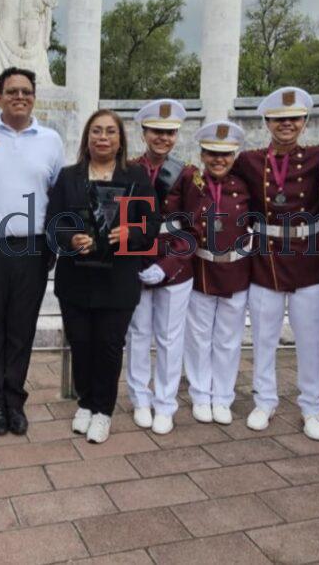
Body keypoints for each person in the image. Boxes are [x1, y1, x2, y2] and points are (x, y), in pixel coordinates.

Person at [0, 67, 65, 436]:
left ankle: (15, 401)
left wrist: (53, 241)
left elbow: (57, 195)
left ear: (34, 96)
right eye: (12, 91)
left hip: (33, 248)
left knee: (22, 329)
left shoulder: (51, 140)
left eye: (26, 91)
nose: (20, 96)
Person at [47, 110, 159, 443]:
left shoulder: (137, 177)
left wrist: (131, 233)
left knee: (109, 346)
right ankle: (85, 401)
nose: (103, 137)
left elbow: (152, 226)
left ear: (121, 139)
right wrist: (70, 239)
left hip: (118, 280)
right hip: (76, 278)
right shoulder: (69, 177)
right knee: (80, 343)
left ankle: (103, 411)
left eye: (110, 131)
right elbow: (54, 223)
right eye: (96, 131)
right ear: (86, 138)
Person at [232, 87, 319, 440]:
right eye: (279, 119)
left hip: (307, 256)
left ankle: (312, 407)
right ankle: (265, 400)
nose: (286, 124)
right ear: (267, 122)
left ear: (304, 122)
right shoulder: (249, 161)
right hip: (265, 257)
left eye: (293, 119)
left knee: (310, 340)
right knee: (263, 336)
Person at [125, 100, 195, 436]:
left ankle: (166, 403)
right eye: (156, 131)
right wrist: (132, 261)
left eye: (169, 133)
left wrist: (168, 266)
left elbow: (194, 229)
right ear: (144, 132)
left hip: (175, 264)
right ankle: (140, 398)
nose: (163, 138)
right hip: (136, 260)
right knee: (138, 334)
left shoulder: (187, 173)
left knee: (169, 337)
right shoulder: (128, 169)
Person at [183, 121, 251, 426]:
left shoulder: (245, 185)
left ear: (234, 155)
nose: (218, 159)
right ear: (202, 153)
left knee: (228, 338)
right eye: (211, 153)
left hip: (237, 268)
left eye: (225, 153)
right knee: (198, 337)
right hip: (200, 267)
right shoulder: (191, 183)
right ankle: (200, 394)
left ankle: (223, 397)